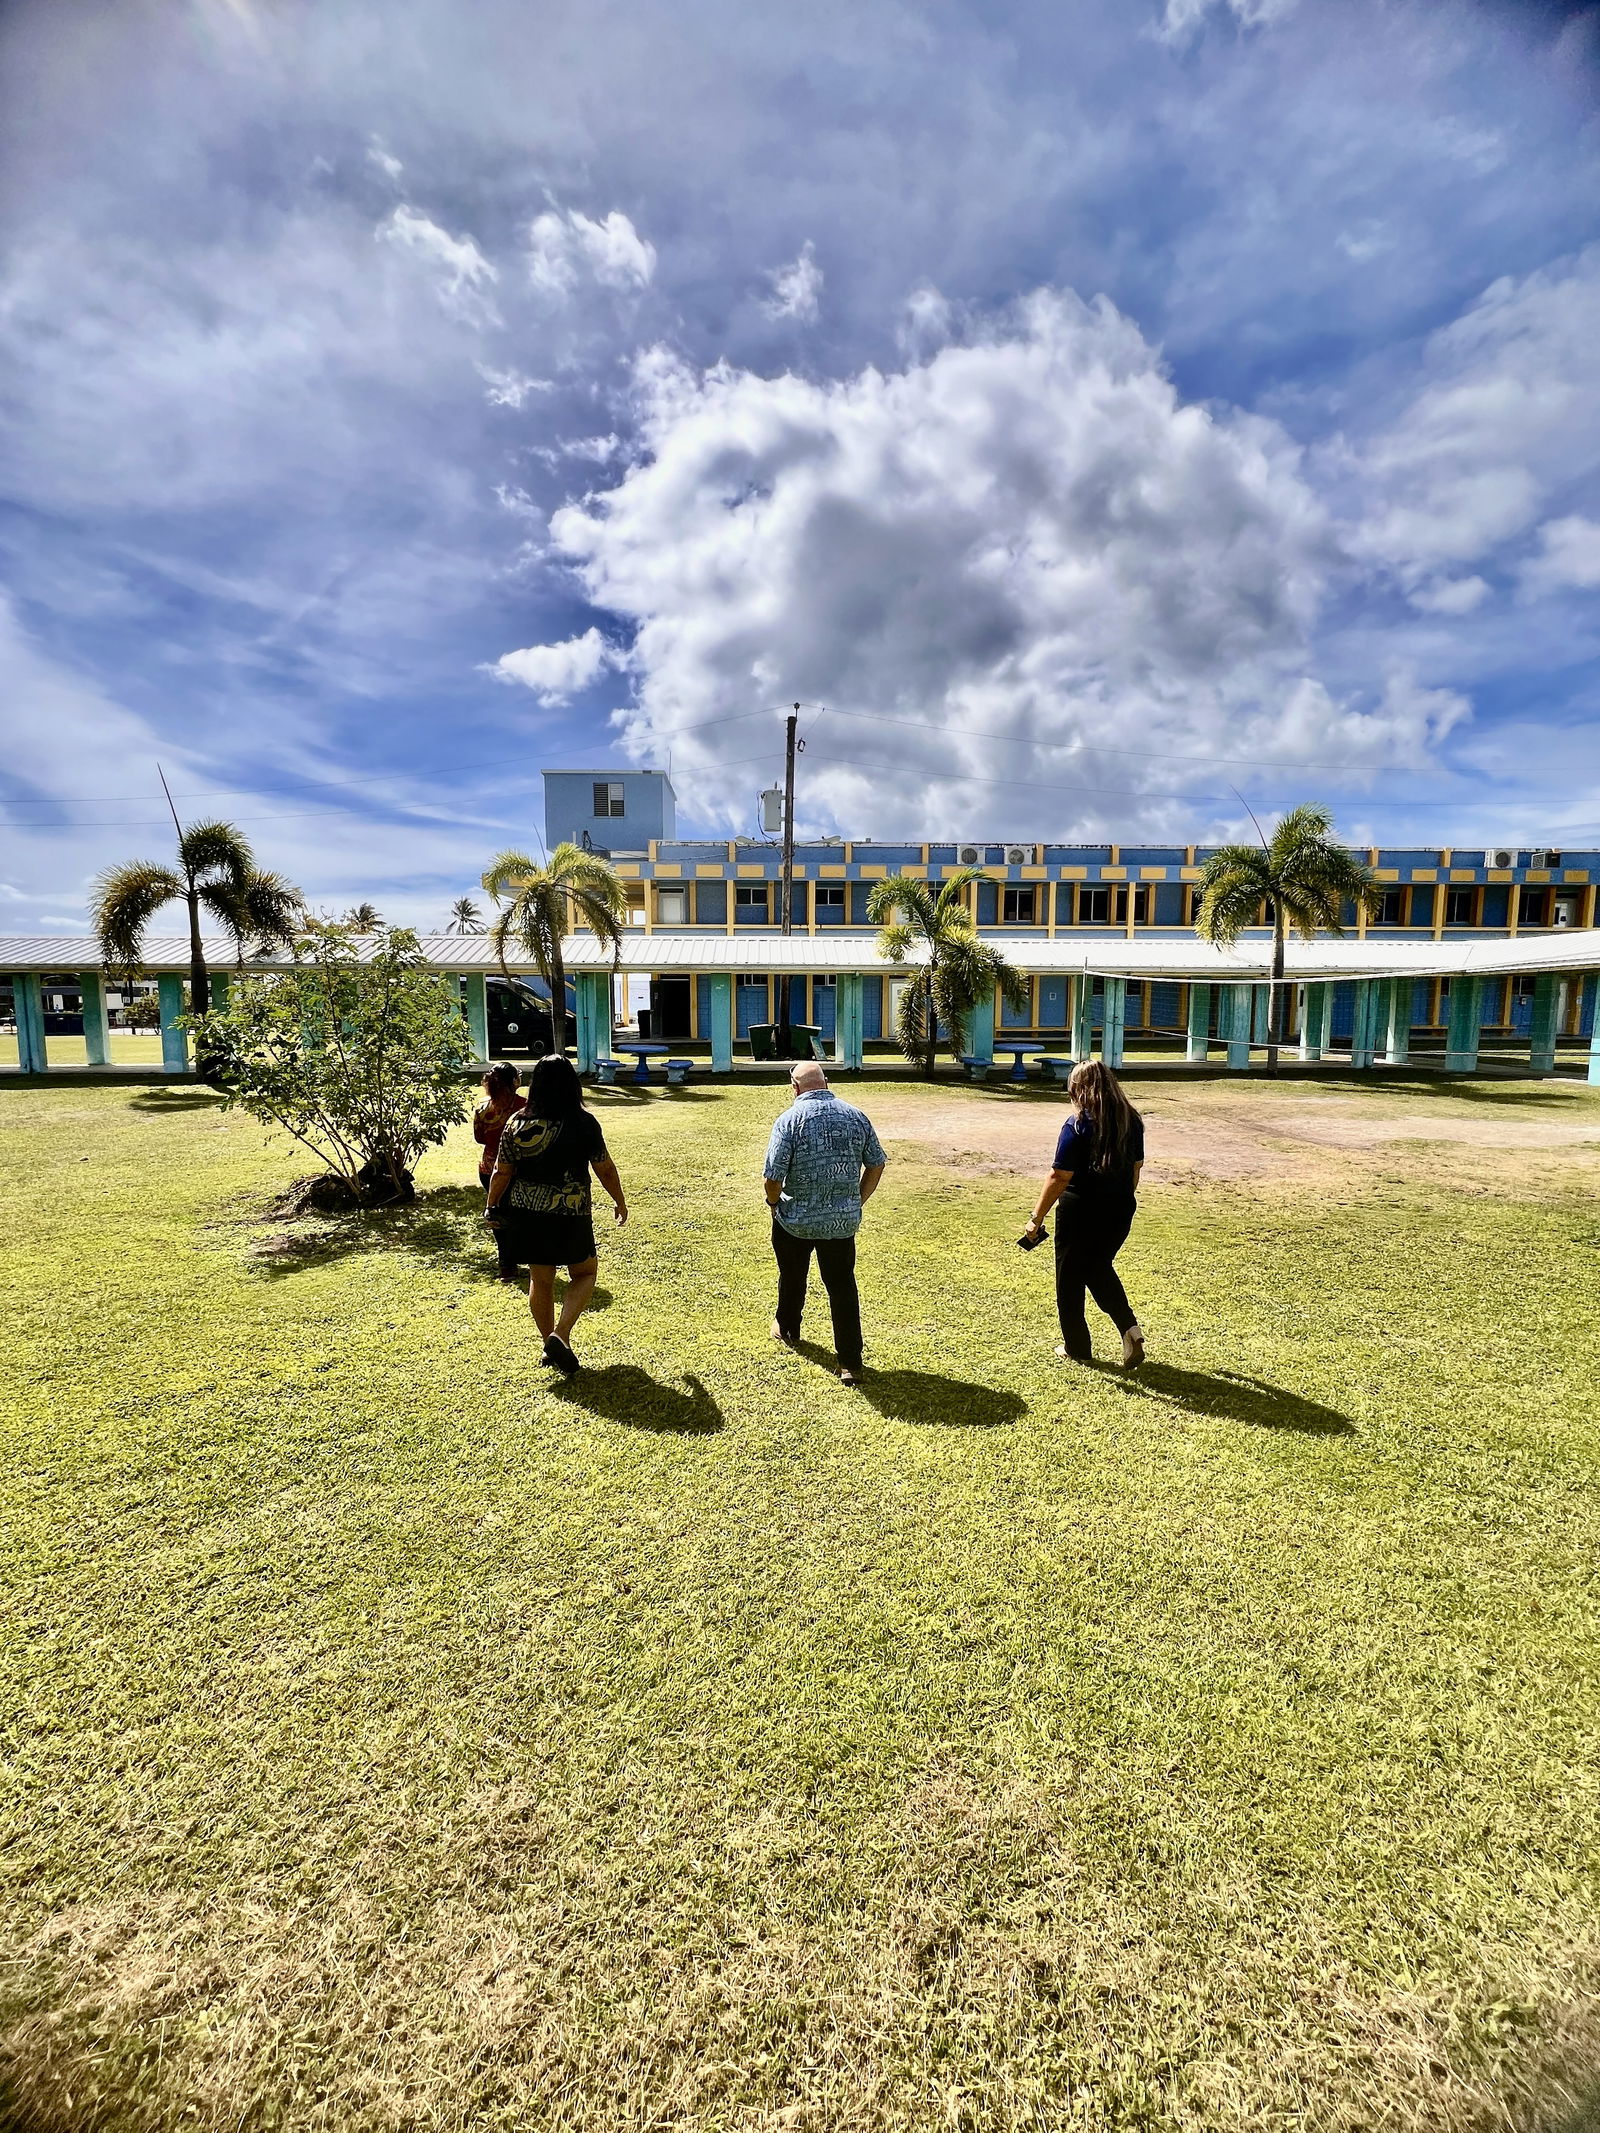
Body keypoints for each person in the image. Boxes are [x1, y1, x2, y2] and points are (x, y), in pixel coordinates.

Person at [485, 1054, 627, 1372]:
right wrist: (619, 1200)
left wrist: (491, 1204)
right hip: (571, 1212)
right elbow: (604, 1167)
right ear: (571, 1086)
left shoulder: (517, 1123)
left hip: (527, 1214)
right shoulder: (583, 1122)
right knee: (585, 1272)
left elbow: (501, 1171)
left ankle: (550, 1346)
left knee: (541, 1279)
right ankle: (560, 1335)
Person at [763, 1060, 887, 1385]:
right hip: (841, 1225)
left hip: (795, 1221)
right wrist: (857, 1201)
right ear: (827, 1082)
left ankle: (788, 1328)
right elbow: (876, 1164)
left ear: (795, 1087)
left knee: (792, 1275)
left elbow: (772, 1177)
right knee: (842, 1287)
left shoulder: (788, 1121)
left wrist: (773, 1203)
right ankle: (850, 1362)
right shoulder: (856, 1116)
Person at [1022, 1058, 1146, 1369]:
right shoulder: (1132, 1120)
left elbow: (1059, 1176)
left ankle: (1076, 1346)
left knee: (1070, 1277)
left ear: (1079, 1089)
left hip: (1081, 1211)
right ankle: (1130, 1330)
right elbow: (1135, 1169)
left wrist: (1036, 1218)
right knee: (1097, 1267)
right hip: (1120, 1209)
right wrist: (1122, 1200)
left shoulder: (1076, 1124)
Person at [473, 1062, 527, 1280]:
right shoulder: (526, 1107)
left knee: (497, 1215)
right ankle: (517, 1261)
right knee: (519, 1215)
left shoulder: (482, 1108)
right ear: (514, 1081)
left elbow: (479, 1138)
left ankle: (507, 1265)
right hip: (517, 1170)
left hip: (488, 1169)